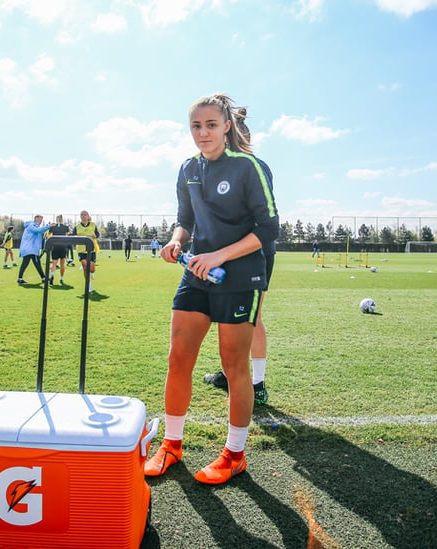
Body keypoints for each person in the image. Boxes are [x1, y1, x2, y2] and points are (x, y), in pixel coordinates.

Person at [144, 93, 278, 485]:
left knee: (234, 366)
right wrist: (176, 241)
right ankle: (171, 445)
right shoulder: (187, 169)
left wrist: (220, 256)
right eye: (196, 126)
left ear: (227, 127)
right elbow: (185, 219)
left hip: (241, 277)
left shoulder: (250, 167)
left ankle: (234, 454)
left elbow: (267, 229)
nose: (203, 133)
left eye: (211, 125)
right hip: (197, 273)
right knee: (178, 358)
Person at [203, 107, 273, 405]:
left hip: (246, 250)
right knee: (241, 316)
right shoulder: (239, 165)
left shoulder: (250, 166)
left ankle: (254, 383)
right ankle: (238, 376)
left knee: (247, 317)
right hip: (240, 249)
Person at [71, 210, 100, 293]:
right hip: (81, 250)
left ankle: (91, 273)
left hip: (91, 249)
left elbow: (97, 234)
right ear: (80, 217)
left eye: (85, 215)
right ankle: (89, 286)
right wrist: (75, 237)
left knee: (92, 269)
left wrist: (95, 236)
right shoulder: (77, 227)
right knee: (85, 266)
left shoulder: (93, 225)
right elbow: (73, 236)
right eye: (82, 215)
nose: (83, 216)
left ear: (88, 216)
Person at [17, 215, 51, 284]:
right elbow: (38, 231)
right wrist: (48, 226)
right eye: (40, 220)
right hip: (30, 248)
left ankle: (20, 278)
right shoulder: (31, 225)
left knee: (29, 263)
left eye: (41, 220)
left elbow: (39, 231)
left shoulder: (34, 226)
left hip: (30, 248)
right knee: (35, 263)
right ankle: (43, 278)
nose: (41, 221)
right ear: (36, 219)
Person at [47, 215, 71, 285]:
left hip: (55, 246)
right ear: (62, 219)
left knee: (54, 263)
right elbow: (67, 236)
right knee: (62, 264)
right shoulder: (65, 227)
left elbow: (48, 236)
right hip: (63, 246)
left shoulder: (53, 227)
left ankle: (52, 275)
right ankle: (61, 278)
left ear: (56, 219)